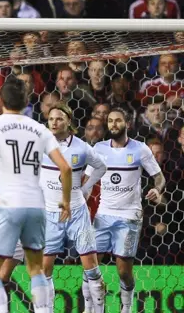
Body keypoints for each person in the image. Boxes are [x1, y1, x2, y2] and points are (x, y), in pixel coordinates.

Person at [0, 78, 72, 313]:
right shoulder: (39, 128)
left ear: (1, 100)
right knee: (36, 268)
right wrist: (65, 202)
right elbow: (65, 168)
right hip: (37, 206)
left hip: (8, 204)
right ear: (27, 100)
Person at [88, 108, 164, 313]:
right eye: (110, 121)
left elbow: (159, 177)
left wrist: (157, 190)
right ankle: (94, 307)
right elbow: (87, 181)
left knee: (123, 271)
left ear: (127, 124)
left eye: (118, 121)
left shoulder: (140, 149)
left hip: (129, 216)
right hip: (103, 214)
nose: (113, 124)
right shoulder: (99, 149)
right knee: (90, 264)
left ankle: (127, 308)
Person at [38, 103, 107, 312]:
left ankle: (98, 310)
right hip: (50, 214)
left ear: (69, 120)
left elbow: (101, 167)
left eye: (59, 118)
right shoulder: (39, 145)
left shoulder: (81, 148)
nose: (54, 123)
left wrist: (86, 188)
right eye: (51, 119)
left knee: (92, 269)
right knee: (44, 270)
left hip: (77, 212)